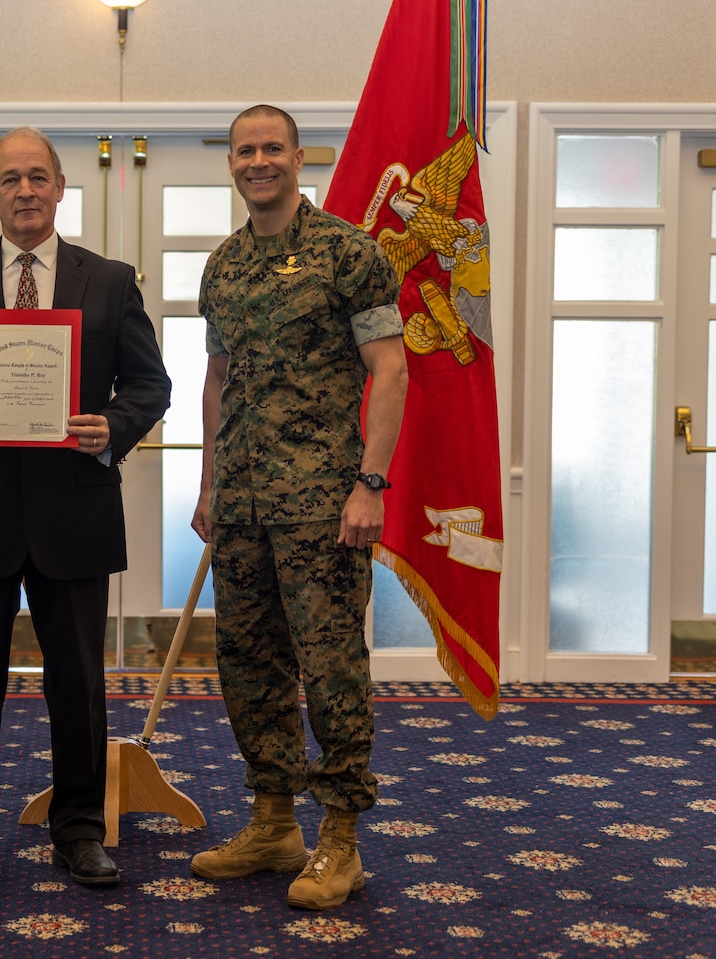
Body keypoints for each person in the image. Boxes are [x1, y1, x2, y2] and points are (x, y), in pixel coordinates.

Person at [0, 127, 171, 888]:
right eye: (10, 178)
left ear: (59, 189)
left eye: (38, 177)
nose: (25, 190)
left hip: (74, 513)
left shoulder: (110, 282)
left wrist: (112, 426)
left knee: (77, 683)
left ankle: (80, 828)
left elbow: (152, 386)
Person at [189, 105, 408, 910]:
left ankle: (341, 838)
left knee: (331, 672)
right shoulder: (222, 266)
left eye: (271, 147)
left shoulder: (351, 252)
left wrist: (370, 483)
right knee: (249, 668)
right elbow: (219, 379)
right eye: (244, 150)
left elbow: (390, 370)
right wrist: (209, 482)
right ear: (232, 163)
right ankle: (273, 821)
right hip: (242, 505)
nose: (257, 161)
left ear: (298, 156)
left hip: (325, 505)